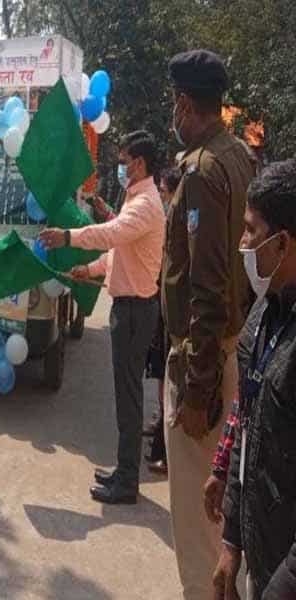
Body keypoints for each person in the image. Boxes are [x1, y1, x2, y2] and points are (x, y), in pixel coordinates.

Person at [162, 49, 255, 600]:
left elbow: (208, 283)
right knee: (222, 522)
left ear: (184, 102)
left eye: (174, 102)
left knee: (199, 524)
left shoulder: (201, 170)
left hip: (205, 362)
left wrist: (197, 390)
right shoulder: (238, 155)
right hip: (230, 350)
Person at [39, 130, 166, 505]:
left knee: (128, 397)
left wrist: (67, 237)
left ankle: (127, 482)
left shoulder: (146, 204)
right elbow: (118, 252)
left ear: (138, 163)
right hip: (129, 308)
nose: (120, 167)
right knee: (125, 395)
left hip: (135, 310)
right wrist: (91, 270)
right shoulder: (136, 198)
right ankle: (123, 470)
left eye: (123, 161)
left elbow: (110, 234)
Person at [211, 160, 296, 599]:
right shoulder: (265, 309)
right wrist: (231, 537)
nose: (242, 243)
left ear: (282, 243)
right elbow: (249, 417)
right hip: (261, 556)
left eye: (250, 230)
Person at [143, 166, 183, 476]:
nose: (162, 196)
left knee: (168, 383)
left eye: (165, 192)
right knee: (161, 376)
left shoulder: (174, 224)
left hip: (169, 313)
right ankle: (160, 431)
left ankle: (166, 452)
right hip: (163, 308)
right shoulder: (168, 220)